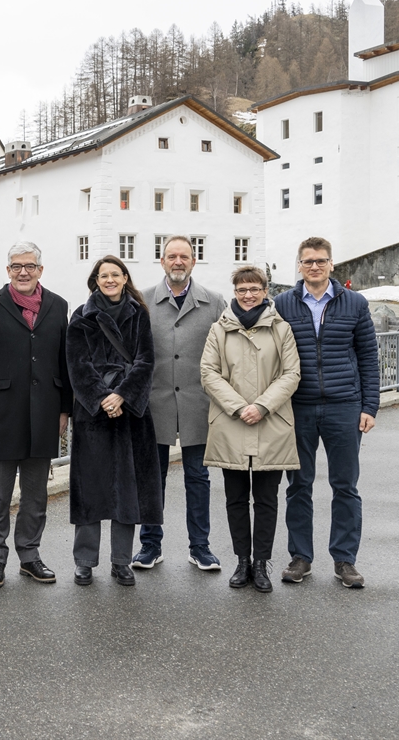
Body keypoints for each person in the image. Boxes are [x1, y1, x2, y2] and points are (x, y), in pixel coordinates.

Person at [273, 237, 378, 588]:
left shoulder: (355, 304)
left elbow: (368, 357)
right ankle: (300, 558)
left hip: (344, 405)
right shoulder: (283, 304)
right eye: (308, 262)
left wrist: (370, 406)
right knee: (298, 485)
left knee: (345, 486)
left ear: (332, 264)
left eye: (321, 261)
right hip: (298, 406)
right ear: (299, 266)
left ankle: (345, 560)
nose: (314, 267)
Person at [0, 241, 70, 588]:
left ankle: (29, 555)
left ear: (40, 270)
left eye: (29, 266)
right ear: (7, 270)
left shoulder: (58, 306)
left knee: (36, 494)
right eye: (16, 266)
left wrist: (64, 409)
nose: (23, 272)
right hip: (0, 415)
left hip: (44, 414)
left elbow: (63, 362)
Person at [199, 266, 301, 593]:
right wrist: (240, 407)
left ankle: (261, 563)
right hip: (232, 424)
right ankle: (242, 561)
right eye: (242, 289)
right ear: (235, 291)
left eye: (254, 288)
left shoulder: (281, 329)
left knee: (267, 499)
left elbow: (291, 374)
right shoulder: (219, 330)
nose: (248, 295)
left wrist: (262, 406)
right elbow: (208, 373)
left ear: (265, 291)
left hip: (271, 423)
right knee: (236, 498)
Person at [65, 256, 161, 587]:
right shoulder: (82, 315)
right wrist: (102, 398)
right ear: (96, 280)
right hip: (93, 415)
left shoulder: (139, 314)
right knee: (90, 488)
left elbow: (146, 360)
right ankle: (85, 561)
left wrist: (122, 395)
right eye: (103, 275)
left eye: (114, 275)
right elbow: (77, 364)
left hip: (131, 413)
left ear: (124, 278)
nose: (109, 280)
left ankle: (121, 561)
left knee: (128, 489)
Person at [136, 236, 226, 572]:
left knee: (198, 478)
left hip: (198, 403)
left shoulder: (214, 302)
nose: (178, 262)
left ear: (193, 262)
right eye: (171, 256)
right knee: (151, 478)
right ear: (162, 261)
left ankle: (200, 547)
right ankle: (149, 546)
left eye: (184, 257)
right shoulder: (143, 300)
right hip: (154, 403)